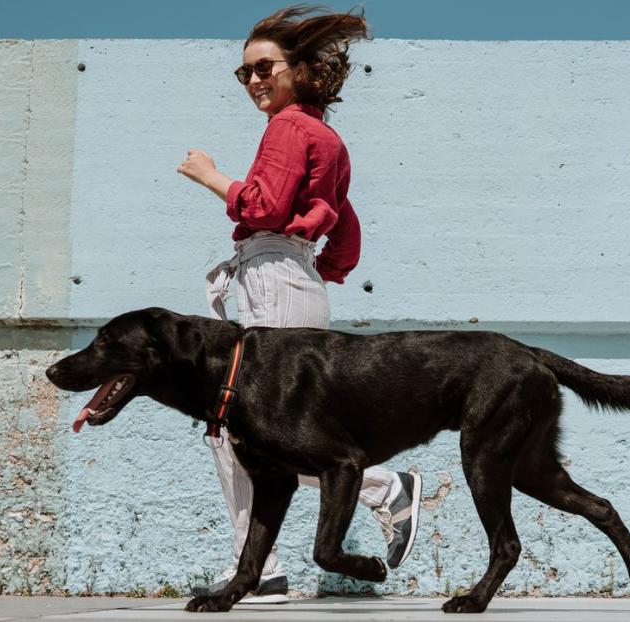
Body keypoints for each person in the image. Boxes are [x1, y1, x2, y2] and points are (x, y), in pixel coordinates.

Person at [176, 5, 421, 605]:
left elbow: (259, 207)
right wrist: (319, 268)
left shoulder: (288, 129)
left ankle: (381, 489)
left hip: (275, 277)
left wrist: (210, 176)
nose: (254, 81)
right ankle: (263, 569)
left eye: (264, 67)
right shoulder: (325, 137)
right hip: (291, 275)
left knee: (242, 429)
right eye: (244, 74)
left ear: (301, 71)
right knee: (254, 430)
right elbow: (348, 227)